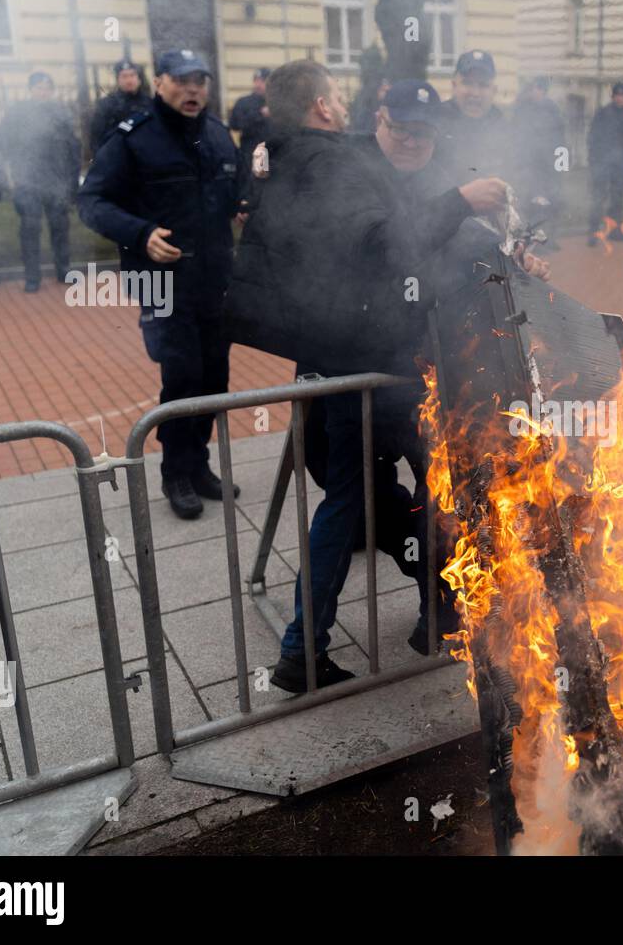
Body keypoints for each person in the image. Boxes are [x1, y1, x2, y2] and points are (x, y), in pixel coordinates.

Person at [226, 64, 546, 692]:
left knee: (412, 493)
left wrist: (511, 257)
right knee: (383, 496)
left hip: (394, 360)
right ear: (373, 119)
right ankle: (332, 641)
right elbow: (385, 243)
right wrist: (460, 201)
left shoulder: (320, 153)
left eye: (422, 131)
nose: (410, 140)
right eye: (399, 126)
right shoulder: (340, 163)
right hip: (369, 363)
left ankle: (426, 617)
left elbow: (460, 242)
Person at [78, 49, 242, 520]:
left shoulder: (216, 134)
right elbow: (91, 202)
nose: (194, 91)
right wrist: (141, 233)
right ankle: (176, 473)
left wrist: (242, 203)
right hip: (159, 282)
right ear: (161, 83)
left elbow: (226, 196)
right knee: (182, 374)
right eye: (183, 81)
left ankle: (200, 464)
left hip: (213, 278)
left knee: (215, 378)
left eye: (201, 82)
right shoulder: (134, 138)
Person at [0, 72, 81, 293]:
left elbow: (72, 147)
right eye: (38, 87)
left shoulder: (61, 113)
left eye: (46, 88)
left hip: (56, 181)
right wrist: (10, 175)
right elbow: (4, 144)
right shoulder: (17, 113)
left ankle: (63, 269)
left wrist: (72, 181)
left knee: (60, 228)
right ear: (30, 89)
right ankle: (32, 277)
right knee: (30, 228)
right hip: (28, 181)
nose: (42, 91)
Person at [432, 49, 512, 183]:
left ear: (494, 90)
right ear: (454, 86)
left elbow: (517, 174)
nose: (475, 93)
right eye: (467, 83)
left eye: (483, 85)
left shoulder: (503, 126)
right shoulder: (434, 121)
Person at [510, 76, 566, 244]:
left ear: (542, 91)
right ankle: (533, 240)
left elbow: (560, 137)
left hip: (550, 165)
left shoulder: (552, 109)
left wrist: (562, 165)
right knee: (532, 203)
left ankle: (550, 238)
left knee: (552, 201)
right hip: (530, 166)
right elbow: (516, 135)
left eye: (536, 89)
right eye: (532, 89)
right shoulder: (523, 108)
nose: (533, 92)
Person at [586, 82, 623, 244]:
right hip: (602, 162)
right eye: (617, 95)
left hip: (620, 163)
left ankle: (615, 230)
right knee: (598, 197)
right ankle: (593, 232)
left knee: (617, 199)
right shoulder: (603, 113)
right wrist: (594, 160)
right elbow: (593, 136)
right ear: (613, 96)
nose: (620, 98)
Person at [90, 59, 152, 149]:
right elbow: (97, 138)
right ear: (118, 79)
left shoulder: (149, 103)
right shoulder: (107, 105)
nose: (129, 80)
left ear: (138, 78)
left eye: (132, 75)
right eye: (124, 76)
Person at [228, 68, 271, 170]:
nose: (258, 85)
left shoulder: (277, 103)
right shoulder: (243, 102)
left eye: (262, 81)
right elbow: (234, 125)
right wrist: (260, 114)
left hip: (273, 156)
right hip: (249, 156)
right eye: (256, 80)